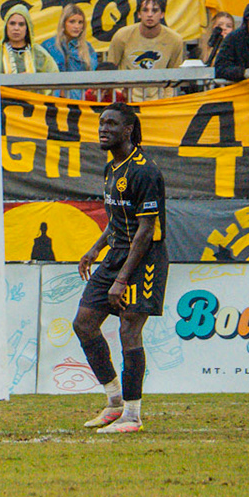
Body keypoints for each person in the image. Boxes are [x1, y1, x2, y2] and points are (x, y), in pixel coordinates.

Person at [75, 103, 166, 435]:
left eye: (111, 124)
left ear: (128, 130)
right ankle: (114, 401)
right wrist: (96, 248)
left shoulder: (145, 172)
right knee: (84, 323)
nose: (103, 129)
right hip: (115, 254)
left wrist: (122, 279)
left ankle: (132, 414)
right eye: (102, 123)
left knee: (129, 330)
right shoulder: (111, 167)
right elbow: (117, 218)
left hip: (143, 259)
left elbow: (145, 230)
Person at [105, 0, 188, 99]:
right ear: (139, 14)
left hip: (159, 100)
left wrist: (166, 99)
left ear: (162, 14)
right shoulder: (122, 35)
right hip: (126, 99)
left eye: (154, 11)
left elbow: (174, 75)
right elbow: (111, 69)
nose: (150, 15)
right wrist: (121, 96)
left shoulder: (175, 40)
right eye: (145, 10)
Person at [42, 2, 100, 86]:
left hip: (81, 93)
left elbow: (94, 77)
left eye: (80, 22)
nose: (77, 26)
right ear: (63, 23)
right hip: (56, 93)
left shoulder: (88, 48)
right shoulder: (48, 46)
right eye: (72, 22)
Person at [0, 3, 58, 72]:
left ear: (28, 28)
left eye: (21, 24)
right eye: (12, 23)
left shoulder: (39, 53)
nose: (16, 28)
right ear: (6, 26)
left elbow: (54, 75)